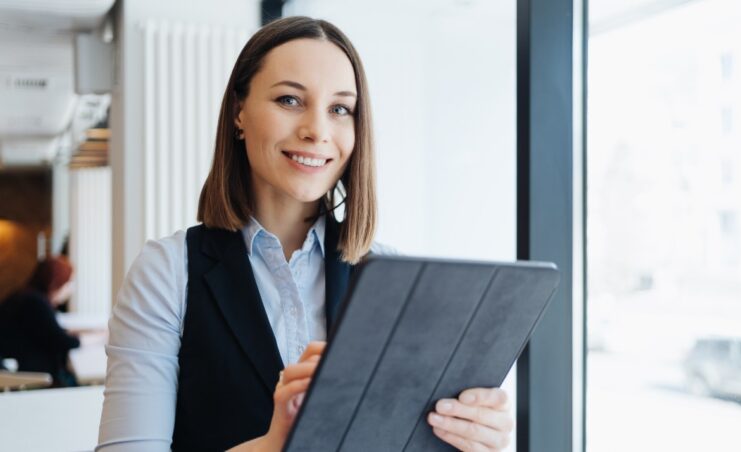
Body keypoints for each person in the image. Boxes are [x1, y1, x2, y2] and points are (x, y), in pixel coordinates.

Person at [97, 16, 513, 452]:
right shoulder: (167, 271)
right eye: (290, 100)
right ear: (239, 112)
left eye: (340, 109)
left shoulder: (392, 277)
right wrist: (276, 444)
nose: (317, 130)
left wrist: (466, 435)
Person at [0, 255, 79, 387]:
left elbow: (51, 332)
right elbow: (62, 341)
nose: (71, 289)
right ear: (56, 282)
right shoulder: (35, 303)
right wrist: (95, 338)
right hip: (28, 376)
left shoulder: (28, 297)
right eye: (68, 282)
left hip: (23, 369)